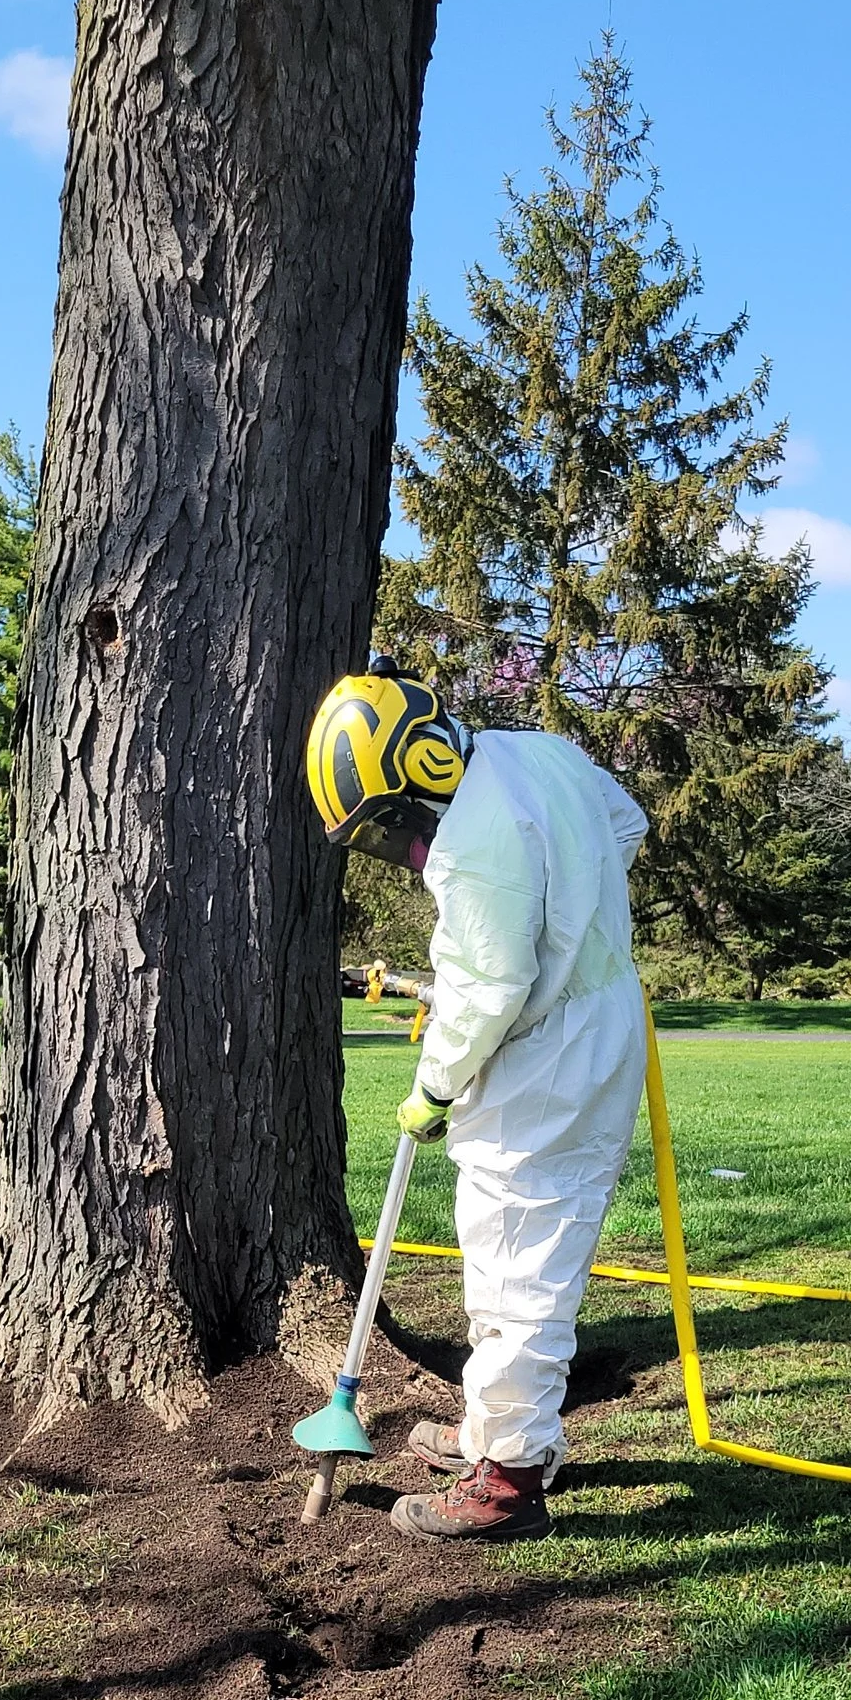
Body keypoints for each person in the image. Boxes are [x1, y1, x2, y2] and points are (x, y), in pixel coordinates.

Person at [306, 660, 647, 1544]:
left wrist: (432, 1087)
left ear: (422, 767)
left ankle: (508, 1481)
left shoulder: (472, 843)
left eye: (393, 824)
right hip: (586, 1030)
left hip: (545, 1064)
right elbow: (626, 824)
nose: (404, 845)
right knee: (510, 1249)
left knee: (519, 1261)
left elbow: (491, 984)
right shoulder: (538, 755)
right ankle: (490, 1434)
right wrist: (578, 913)